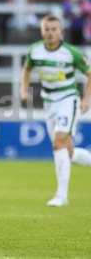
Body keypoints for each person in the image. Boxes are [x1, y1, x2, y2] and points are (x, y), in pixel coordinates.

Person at [21, 14, 91, 207]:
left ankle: (61, 196)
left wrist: (86, 99)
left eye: (54, 29)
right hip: (49, 102)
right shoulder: (35, 51)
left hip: (68, 99)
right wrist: (23, 90)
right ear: (42, 31)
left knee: (59, 142)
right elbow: (26, 70)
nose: (51, 33)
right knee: (65, 150)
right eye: (47, 29)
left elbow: (89, 73)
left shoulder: (72, 53)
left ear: (61, 31)